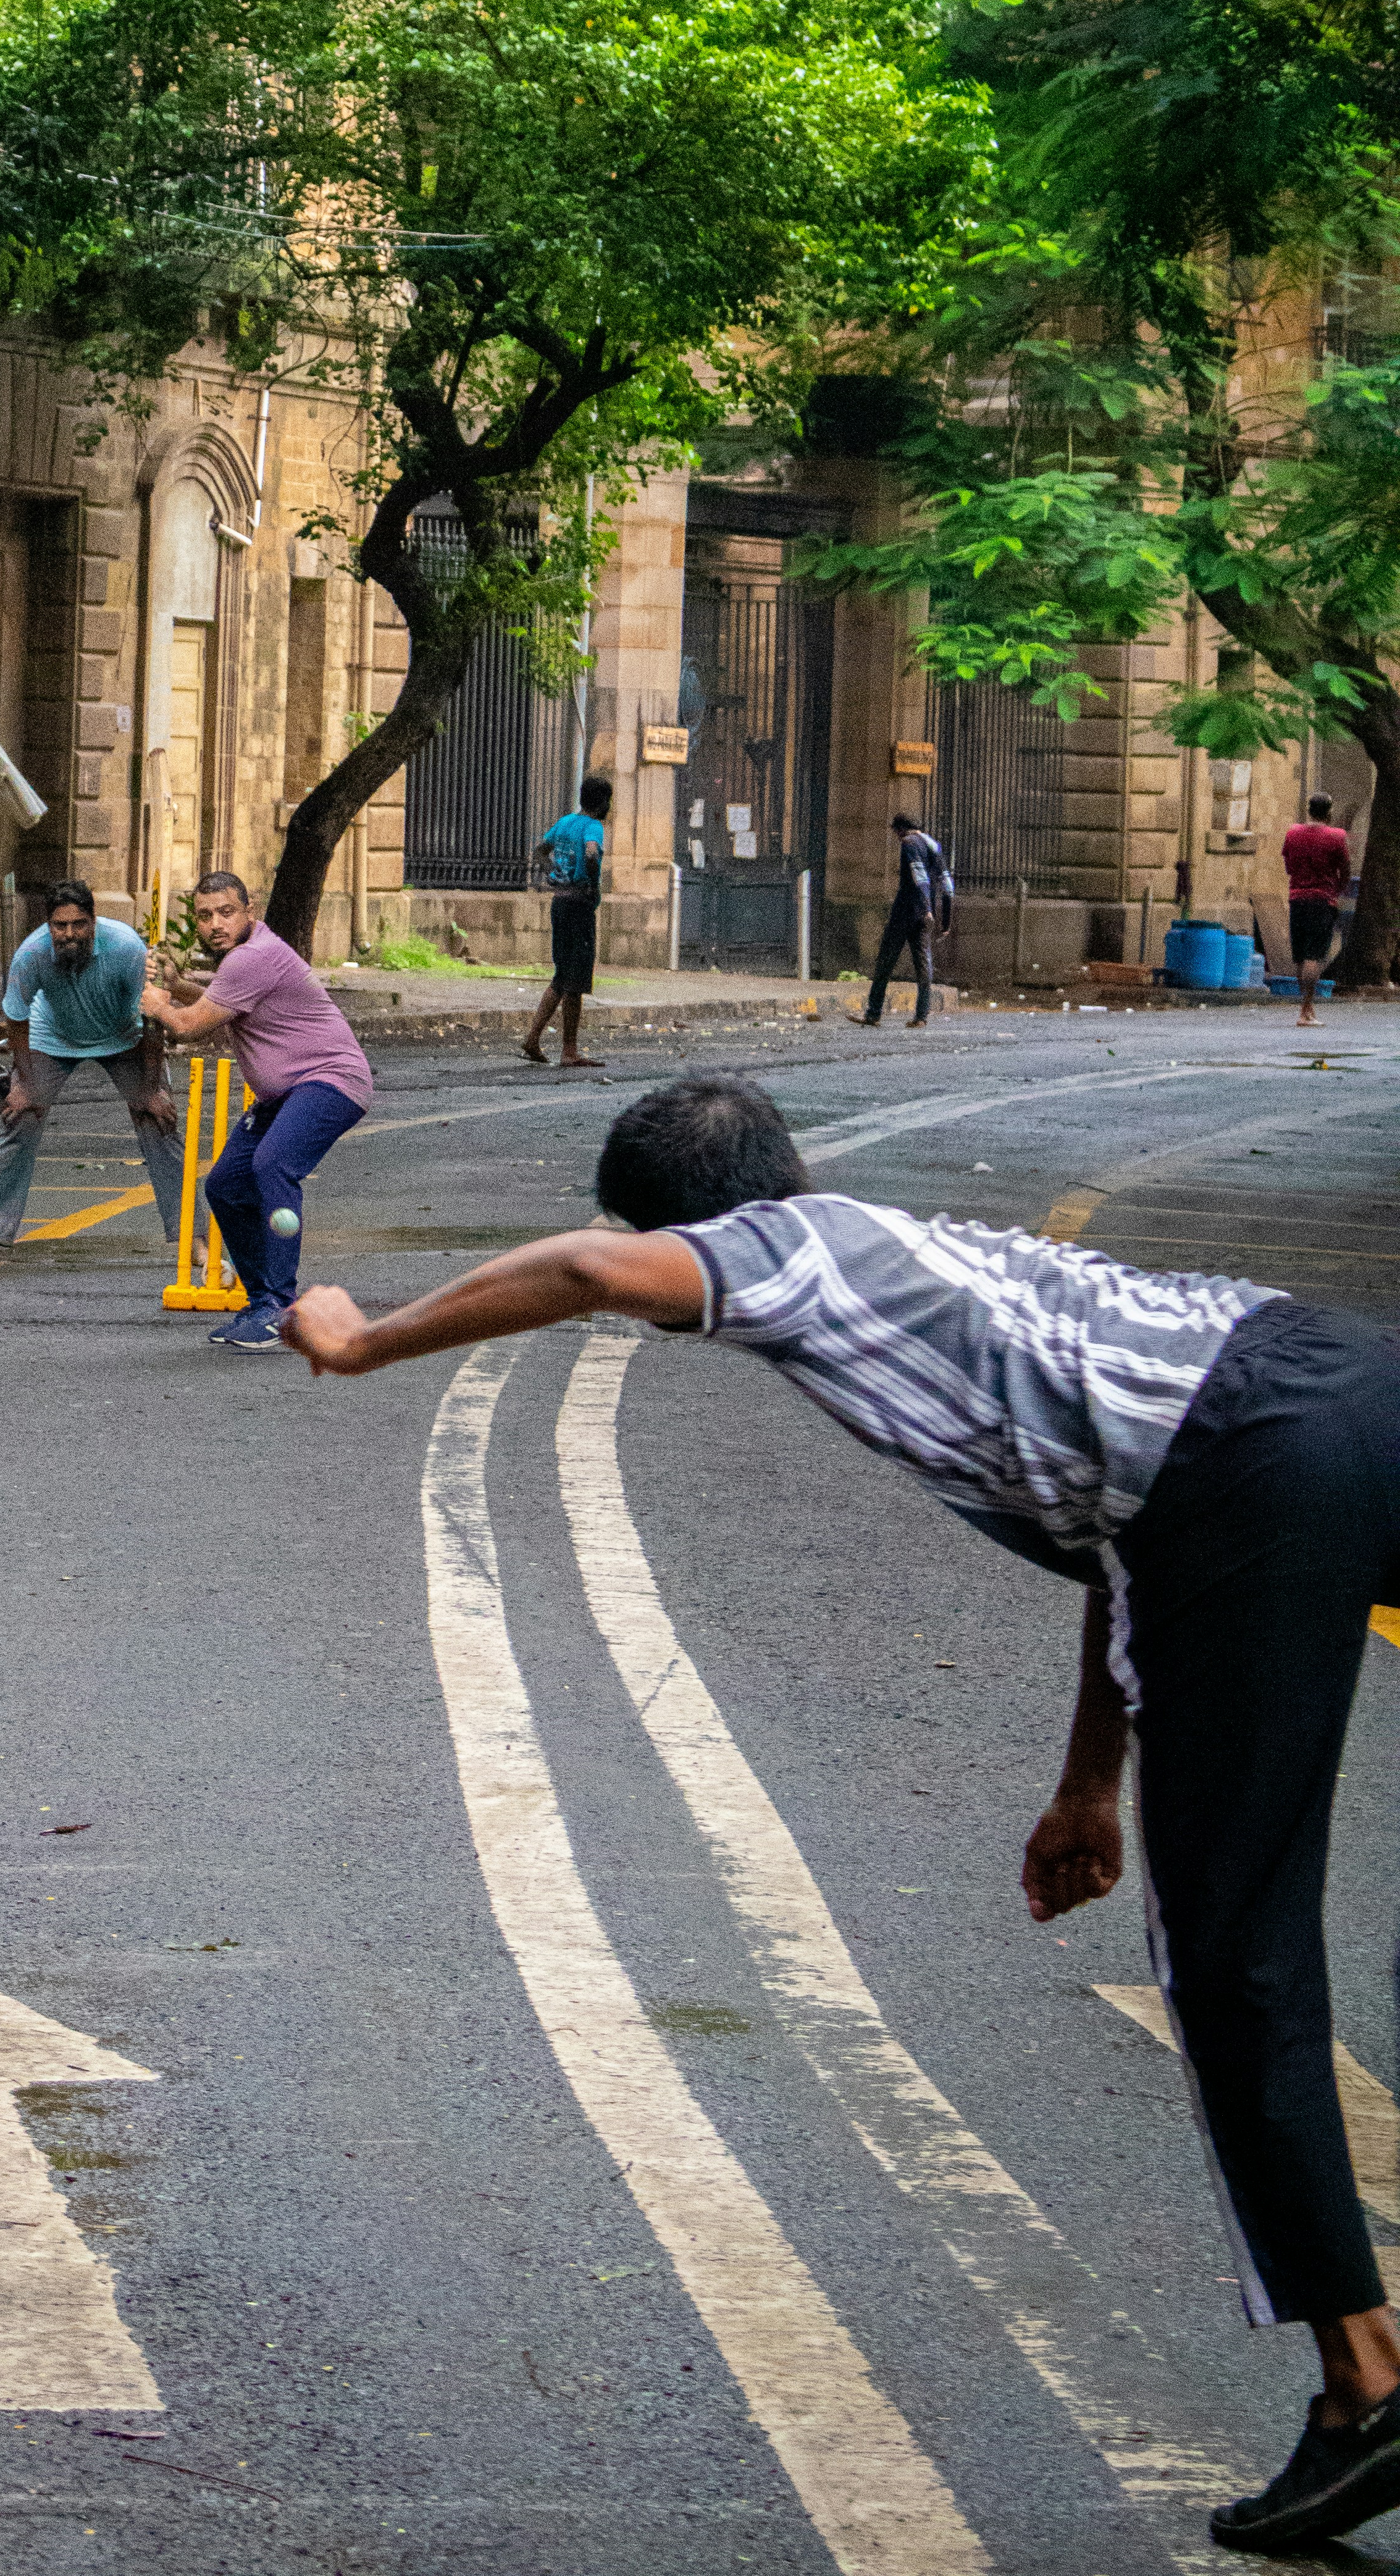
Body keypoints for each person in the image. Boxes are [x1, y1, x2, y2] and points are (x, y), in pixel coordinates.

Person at [286, 1067, 1400, 2559]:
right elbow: (1125, 1533)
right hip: (1325, 1383)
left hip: (1258, 1471)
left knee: (1231, 1956)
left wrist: (365, 1342)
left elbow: (576, 1268)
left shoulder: (784, 1249)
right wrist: (1086, 1782)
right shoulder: (934, 1256)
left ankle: (1364, 2383)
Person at [142, 868, 374, 1354]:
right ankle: (260, 1300)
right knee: (225, 1186)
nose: (215, 925)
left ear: (251, 912)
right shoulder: (245, 961)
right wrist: (180, 984)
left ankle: (280, 1306)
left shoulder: (254, 957)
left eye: (227, 912)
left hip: (330, 1082)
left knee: (273, 1165)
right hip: (284, 1094)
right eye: (204, 916)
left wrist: (159, 1003)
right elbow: (222, 1000)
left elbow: (187, 1026)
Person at [0, 879, 184, 1272]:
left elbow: (153, 1018)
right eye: (60, 926)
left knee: (158, 1121)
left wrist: (150, 1090)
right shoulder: (33, 954)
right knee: (19, 1118)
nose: (69, 934)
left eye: (78, 924)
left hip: (123, 1034)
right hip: (52, 1036)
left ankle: (189, 1238)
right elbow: (16, 1018)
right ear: (48, 925)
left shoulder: (125, 948)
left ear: (94, 921)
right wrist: (24, 1084)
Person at [523, 773, 614, 1068]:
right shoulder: (594, 827)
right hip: (580, 906)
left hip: (560, 903)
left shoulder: (564, 823)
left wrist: (555, 873)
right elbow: (590, 853)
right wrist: (589, 873)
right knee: (575, 981)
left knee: (563, 976)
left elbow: (540, 851)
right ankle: (569, 1051)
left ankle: (533, 1038)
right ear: (601, 803)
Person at [863, 808, 953, 1028]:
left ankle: (873, 1014)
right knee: (923, 964)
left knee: (886, 961)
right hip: (923, 917)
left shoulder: (910, 844)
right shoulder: (933, 846)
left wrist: (926, 907)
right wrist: (946, 920)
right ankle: (921, 1016)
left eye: (896, 831)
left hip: (906, 912)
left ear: (901, 830)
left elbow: (918, 876)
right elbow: (948, 885)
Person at [1282, 796, 1352, 1028]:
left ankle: (1307, 1007)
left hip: (1297, 900)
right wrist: (1336, 893)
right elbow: (1346, 872)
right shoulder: (1337, 837)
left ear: (1309, 811)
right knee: (1314, 956)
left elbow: (1289, 868)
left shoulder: (1293, 834)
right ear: (1329, 812)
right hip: (1323, 902)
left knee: (1302, 956)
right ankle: (1305, 1009)